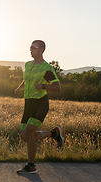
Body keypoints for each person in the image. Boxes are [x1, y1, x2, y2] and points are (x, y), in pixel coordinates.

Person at [15, 40, 63, 174]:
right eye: (30, 47)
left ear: (41, 50)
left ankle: (31, 166)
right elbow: (27, 78)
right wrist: (19, 88)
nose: (30, 49)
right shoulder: (28, 65)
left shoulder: (46, 68)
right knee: (25, 137)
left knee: (30, 132)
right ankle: (53, 133)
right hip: (28, 103)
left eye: (33, 47)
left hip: (40, 103)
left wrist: (42, 86)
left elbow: (57, 87)